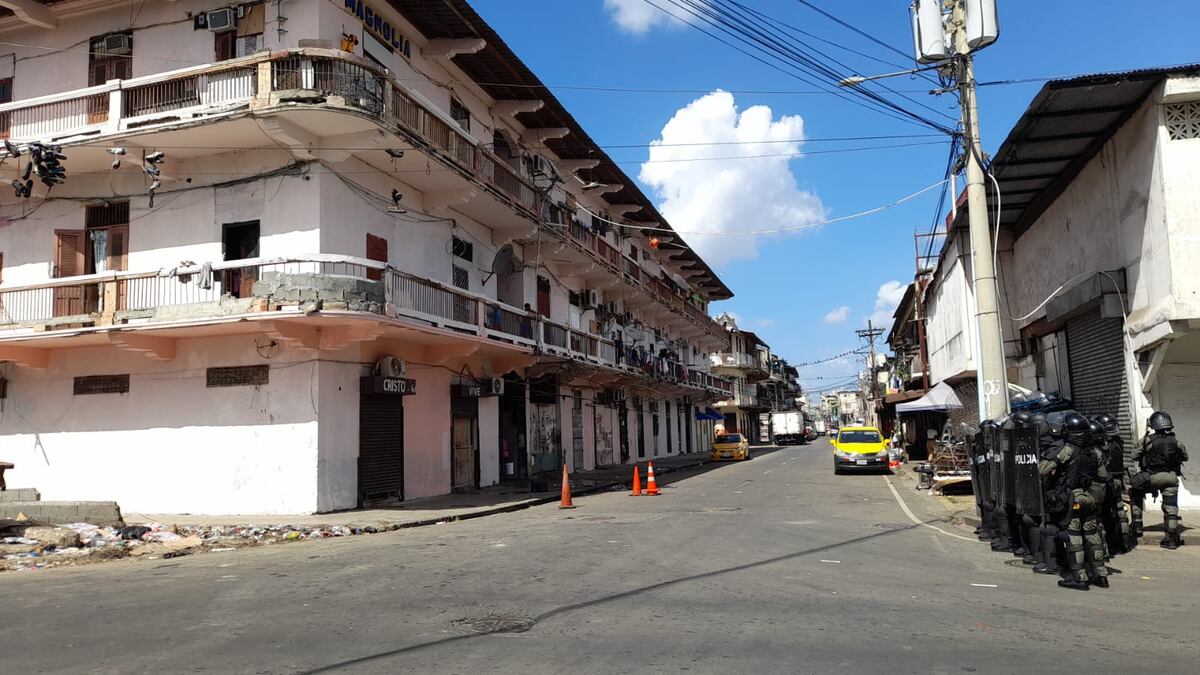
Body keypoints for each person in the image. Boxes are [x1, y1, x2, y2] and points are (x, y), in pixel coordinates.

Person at [1039, 412, 1108, 590]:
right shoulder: (1095, 452)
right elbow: (1103, 477)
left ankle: (1080, 578)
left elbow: (1043, 469)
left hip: (1074, 499)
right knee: (1093, 536)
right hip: (1091, 498)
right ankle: (1101, 576)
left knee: (1074, 537)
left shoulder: (1068, 450)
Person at [1131, 411, 1189, 549]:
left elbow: (1134, 456)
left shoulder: (1147, 440)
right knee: (1171, 508)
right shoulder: (1176, 441)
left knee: (1135, 492)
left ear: (1154, 425)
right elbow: (1185, 457)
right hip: (1170, 478)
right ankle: (1172, 539)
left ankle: (1137, 527)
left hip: (1151, 477)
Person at [1093, 413, 1134, 553]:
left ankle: (1107, 547)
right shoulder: (1118, 442)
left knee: (1103, 514)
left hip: (1106, 481)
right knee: (1119, 510)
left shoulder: (1102, 446)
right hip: (1118, 480)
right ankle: (1123, 542)